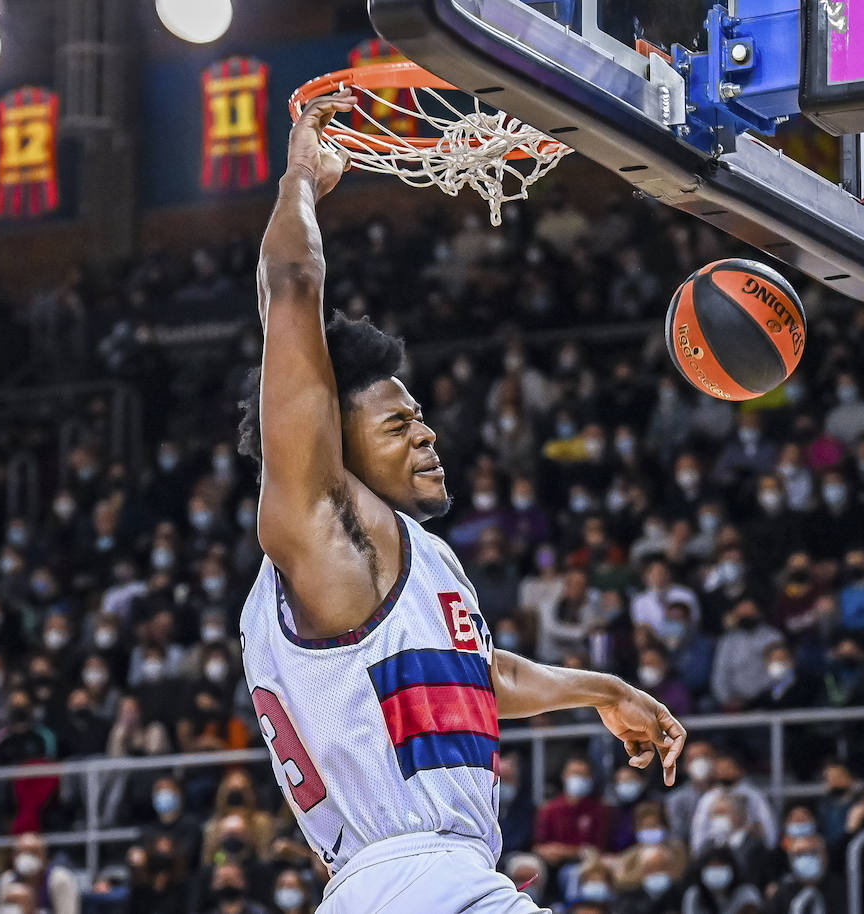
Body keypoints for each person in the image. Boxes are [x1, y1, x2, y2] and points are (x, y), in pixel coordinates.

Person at [236, 94, 686, 914]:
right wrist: (300, 178)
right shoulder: (322, 527)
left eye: (422, 418)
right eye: (398, 423)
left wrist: (600, 690)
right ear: (332, 444)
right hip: (416, 878)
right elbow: (292, 286)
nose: (428, 434)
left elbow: (482, 675)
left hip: (409, 885)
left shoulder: (402, 559)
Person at [0, 832, 79, 914]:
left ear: (44, 855)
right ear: (13, 856)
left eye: (33, 852)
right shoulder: (6, 880)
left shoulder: (60, 880)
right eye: (21, 852)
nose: (27, 857)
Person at [680, 845, 762, 914]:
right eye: (712, 866)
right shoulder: (694, 895)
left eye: (721, 865)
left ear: (732, 868)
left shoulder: (747, 893)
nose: (716, 870)